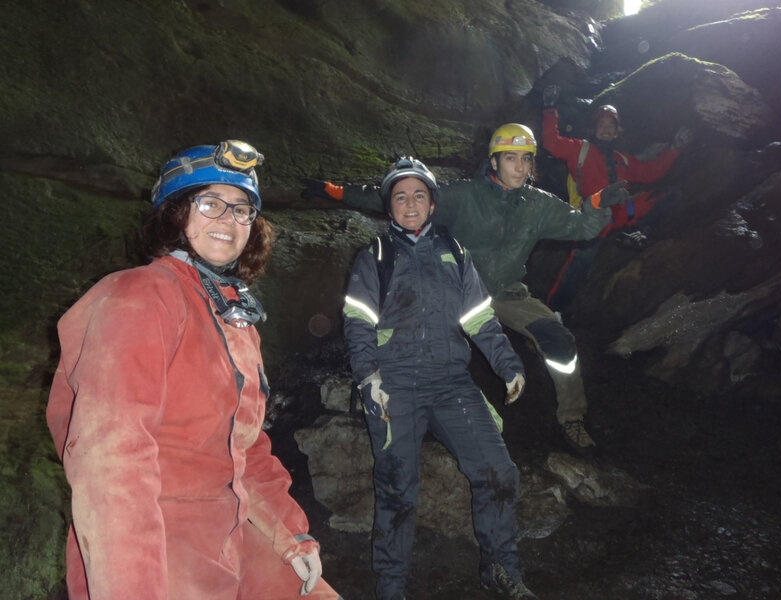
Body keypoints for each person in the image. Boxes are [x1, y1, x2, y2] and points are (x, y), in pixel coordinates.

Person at [46, 140, 343, 600]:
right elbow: (111, 464)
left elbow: (246, 446)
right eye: (210, 204)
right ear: (175, 213)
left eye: (242, 209)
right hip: (155, 542)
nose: (229, 219)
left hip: (231, 531)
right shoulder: (139, 296)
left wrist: (289, 534)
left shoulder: (233, 317)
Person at [304, 125, 628, 453]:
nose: (520, 167)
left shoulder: (538, 204)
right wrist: (333, 191)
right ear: (494, 161)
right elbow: (398, 196)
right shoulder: (464, 195)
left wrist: (598, 203)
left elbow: (581, 227)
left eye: (526, 160)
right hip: (457, 291)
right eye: (511, 158)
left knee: (559, 341)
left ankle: (572, 417)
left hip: (505, 293)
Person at [342, 157, 535, 600]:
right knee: (396, 488)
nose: (410, 204)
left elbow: (480, 318)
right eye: (400, 196)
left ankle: (500, 569)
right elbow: (357, 322)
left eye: (419, 195)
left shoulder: (455, 252)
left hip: (451, 384)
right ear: (389, 207)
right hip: (394, 386)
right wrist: (368, 377)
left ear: (432, 204)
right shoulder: (376, 256)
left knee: (499, 471)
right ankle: (391, 587)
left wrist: (508, 364)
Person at [541, 84, 692, 311]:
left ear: (617, 131)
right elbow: (552, 144)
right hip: (595, 215)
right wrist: (550, 109)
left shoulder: (623, 159)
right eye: (602, 124)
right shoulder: (580, 149)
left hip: (623, 212)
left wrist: (674, 148)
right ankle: (552, 312)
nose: (606, 128)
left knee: (666, 196)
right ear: (593, 129)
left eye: (611, 125)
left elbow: (651, 172)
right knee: (579, 263)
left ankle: (636, 234)